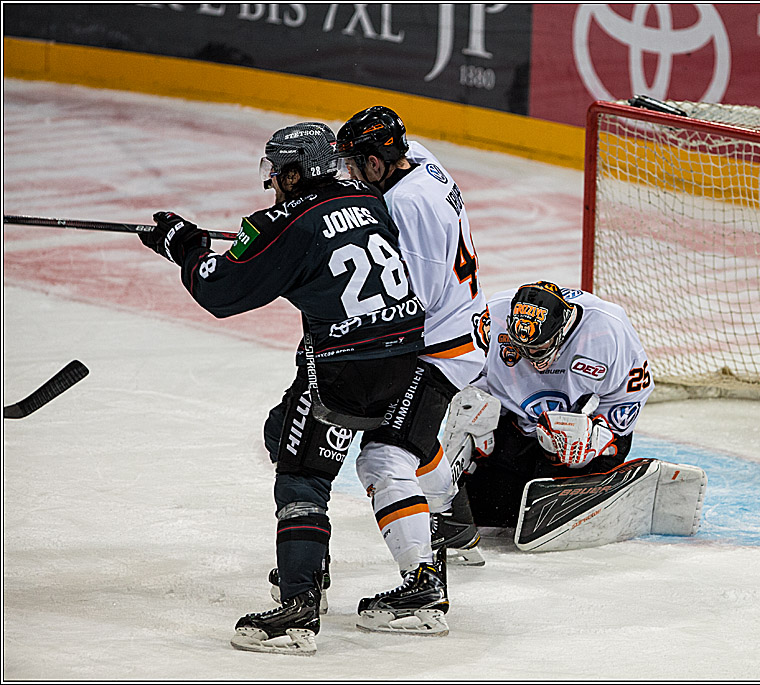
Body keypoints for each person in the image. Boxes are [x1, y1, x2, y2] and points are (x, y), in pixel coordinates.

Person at [138, 122, 430, 655]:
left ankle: (299, 609)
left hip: (344, 368)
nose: (273, 182)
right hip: (409, 357)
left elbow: (219, 292)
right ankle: (404, 583)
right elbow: (321, 251)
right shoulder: (369, 198)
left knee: (302, 477)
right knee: (285, 433)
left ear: (296, 171)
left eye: (278, 171)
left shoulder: (281, 220)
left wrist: (185, 246)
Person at [331, 105, 489, 633]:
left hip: (439, 344)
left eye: (356, 163)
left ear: (379, 162)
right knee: (413, 436)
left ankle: (422, 592)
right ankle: (457, 528)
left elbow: (409, 304)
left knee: (384, 455)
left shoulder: (411, 206)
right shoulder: (417, 158)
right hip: (463, 327)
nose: (352, 171)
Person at [447, 280, 655, 529]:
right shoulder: (491, 319)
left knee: (580, 457)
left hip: (574, 437)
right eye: (520, 347)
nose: (529, 356)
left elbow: (629, 395)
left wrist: (598, 437)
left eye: (537, 348)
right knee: (490, 511)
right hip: (514, 431)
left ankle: (587, 483)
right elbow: (467, 376)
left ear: (562, 329)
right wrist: (482, 422)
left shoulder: (607, 328)